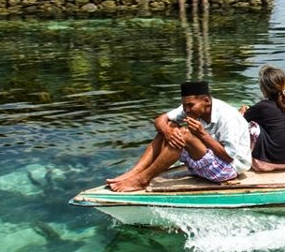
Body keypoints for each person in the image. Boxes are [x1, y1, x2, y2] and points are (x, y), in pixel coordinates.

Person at [107, 80, 251, 192]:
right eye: (184, 106)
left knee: (184, 134)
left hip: (229, 169)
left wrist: (202, 135)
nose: (187, 110)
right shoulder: (191, 108)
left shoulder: (227, 117)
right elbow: (160, 120)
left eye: (190, 105)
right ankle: (134, 173)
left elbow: (228, 156)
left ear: (206, 100)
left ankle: (142, 180)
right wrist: (168, 131)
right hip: (205, 162)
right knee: (169, 127)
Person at [239, 65, 285, 172]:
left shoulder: (262, 107)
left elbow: (240, 120)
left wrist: (241, 112)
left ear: (264, 89)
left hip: (264, 164)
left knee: (249, 126)